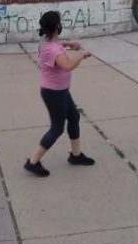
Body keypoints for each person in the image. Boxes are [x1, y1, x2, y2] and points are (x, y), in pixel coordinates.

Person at [24, 10, 94, 177]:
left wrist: (69, 44)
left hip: (60, 90)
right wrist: (81, 54)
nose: (61, 24)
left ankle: (76, 156)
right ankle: (32, 162)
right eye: (59, 22)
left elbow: (56, 44)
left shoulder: (46, 41)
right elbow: (67, 66)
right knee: (56, 128)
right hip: (54, 93)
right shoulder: (51, 50)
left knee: (74, 117)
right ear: (56, 26)